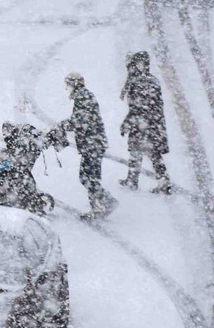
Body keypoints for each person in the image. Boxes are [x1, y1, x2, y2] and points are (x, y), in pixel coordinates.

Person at [54, 73, 117, 218]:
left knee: (87, 177)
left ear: (74, 84)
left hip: (92, 144)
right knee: (89, 177)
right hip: (92, 143)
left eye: (68, 85)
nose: (66, 88)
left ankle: (103, 203)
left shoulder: (84, 97)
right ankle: (100, 205)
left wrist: (61, 126)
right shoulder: (83, 96)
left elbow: (80, 120)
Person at [0, 122, 55, 216]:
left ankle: (35, 205)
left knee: (12, 183)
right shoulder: (14, 151)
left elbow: (5, 167)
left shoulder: (21, 150)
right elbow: (2, 168)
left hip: (16, 188)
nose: (6, 137)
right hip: (16, 188)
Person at [119, 51, 171, 194]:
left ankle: (159, 182)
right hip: (150, 124)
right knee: (146, 152)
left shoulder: (142, 82)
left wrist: (128, 123)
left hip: (145, 124)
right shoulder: (147, 80)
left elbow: (139, 107)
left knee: (149, 152)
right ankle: (138, 179)